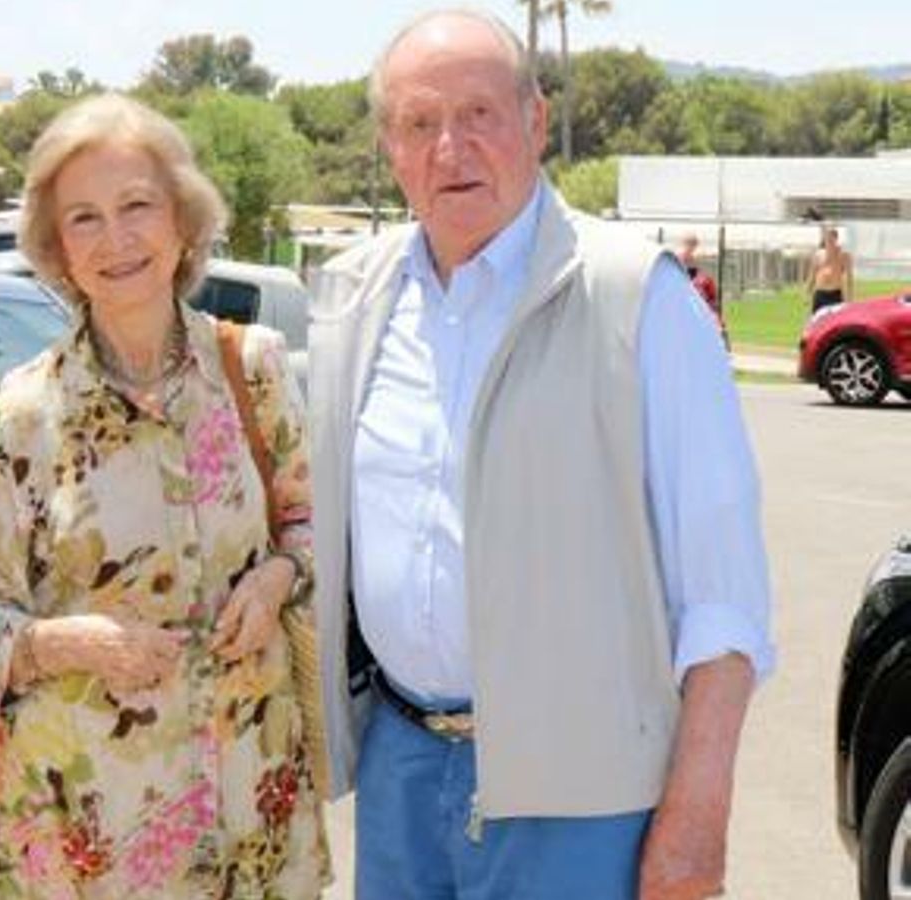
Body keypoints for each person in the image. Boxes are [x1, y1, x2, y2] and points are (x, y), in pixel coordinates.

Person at [306, 11, 774, 900]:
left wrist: (697, 821)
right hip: (401, 770)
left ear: (537, 122)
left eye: (480, 113)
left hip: (582, 797)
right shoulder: (354, 300)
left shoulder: (639, 298)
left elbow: (724, 596)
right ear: (389, 149)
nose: (452, 147)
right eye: (419, 123)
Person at [0, 93, 328, 899]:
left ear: (182, 222)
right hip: (79, 833)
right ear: (58, 250)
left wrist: (278, 579)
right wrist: (67, 643)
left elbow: (314, 525)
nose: (115, 239)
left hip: (247, 814)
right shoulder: (17, 417)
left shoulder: (252, 370)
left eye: (137, 206)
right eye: (83, 218)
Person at [677, 233, 726, 347]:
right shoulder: (677, 281)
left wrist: (718, 321)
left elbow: (713, 302)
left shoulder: (704, 280)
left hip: (701, 319)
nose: (689, 253)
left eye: (693, 245)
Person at [805, 226, 853, 313]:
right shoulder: (818, 255)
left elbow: (849, 278)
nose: (830, 241)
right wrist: (807, 294)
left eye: (832, 238)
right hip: (820, 293)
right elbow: (812, 276)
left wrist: (849, 298)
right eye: (827, 238)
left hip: (835, 294)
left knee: (836, 322)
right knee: (818, 322)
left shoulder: (844, 256)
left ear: (836, 238)